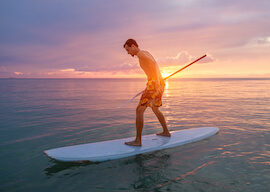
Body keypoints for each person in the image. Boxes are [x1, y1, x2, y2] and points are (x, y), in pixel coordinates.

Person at [123, 39, 171, 146]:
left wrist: (156, 82)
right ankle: (166, 132)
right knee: (155, 108)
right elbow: (154, 64)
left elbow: (153, 64)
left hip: (154, 84)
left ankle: (138, 141)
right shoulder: (146, 52)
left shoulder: (140, 54)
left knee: (139, 111)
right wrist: (159, 81)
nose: (128, 53)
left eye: (128, 50)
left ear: (133, 46)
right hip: (159, 83)